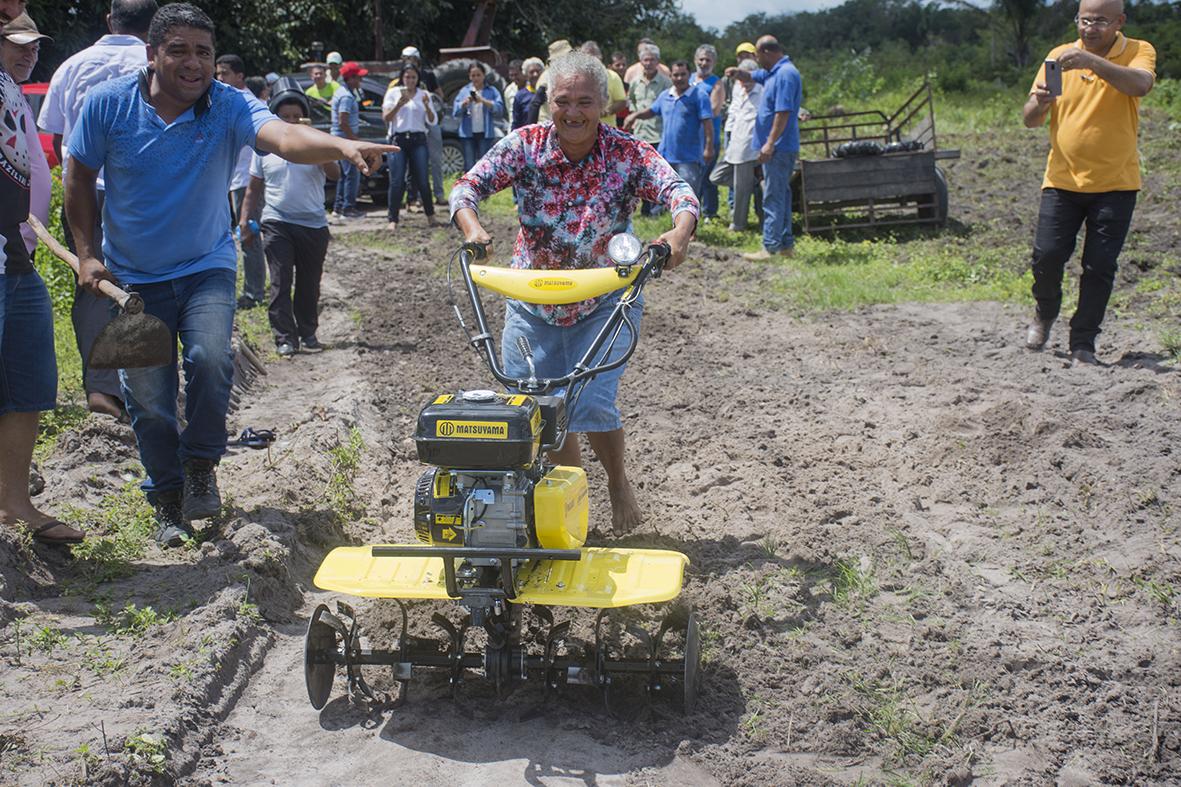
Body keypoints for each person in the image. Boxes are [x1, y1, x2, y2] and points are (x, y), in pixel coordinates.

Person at [64, 3, 396, 546]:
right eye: (180, 51)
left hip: (206, 265)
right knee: (146, 395)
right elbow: (78, 174)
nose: (194, 64)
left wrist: (340, 145)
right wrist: (87, 251)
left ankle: (200, 465)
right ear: (152, 55)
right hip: (130, 277)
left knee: (211, 356)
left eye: (204, 52)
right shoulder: (109, 106)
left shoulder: (228, 104)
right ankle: (167, 499)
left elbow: (285, 138)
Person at [450, 52, 699, 534]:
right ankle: (574, 500)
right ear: (548, 103)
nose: (574, 112)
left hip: (603, 301)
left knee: (589, 404)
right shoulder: (523, 146)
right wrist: (473, 229)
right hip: (532, 300)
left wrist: (677, 235)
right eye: (563, 101)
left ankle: (617, 480)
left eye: (585, 101)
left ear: (603, 104)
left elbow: (679, 192)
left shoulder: (626, 153)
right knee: (544, 406)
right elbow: (466, 187)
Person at [37, 0, 155, 420]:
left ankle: (102, 391)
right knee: (150, 283)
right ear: (154, 26)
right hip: (144, 192)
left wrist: (76, 179)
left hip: (84, 191)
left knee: (92, 284)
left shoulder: (73, 65)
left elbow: (53, 139)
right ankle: (144, 388)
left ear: (109, 20)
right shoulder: (160, 62)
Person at [1021, 0, 1155, 366]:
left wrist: (1092, 63)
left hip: (1116, 183)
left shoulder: (1138, 51)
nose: (1090, 28)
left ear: (1119, 22)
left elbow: (1141, 85)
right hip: (1062, 180)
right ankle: (1045, 313)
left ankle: (1083, 342)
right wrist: (1041, 103)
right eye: (1084, 20)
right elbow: (1030, 118)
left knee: (1099, 266)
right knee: (1046, 257)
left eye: (1099, 21)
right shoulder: (1059, 56)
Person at [0, 2, 83, 546]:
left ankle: (12, 504)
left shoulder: (11, 92)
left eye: (35, 42)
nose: (31, 50)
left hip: (16, 254)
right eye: (17, 38)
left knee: (28, 383)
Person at [239, 80, 338, 358]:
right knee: (281, 281)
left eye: (297, 116)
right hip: (277, 221)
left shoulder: (316, 143)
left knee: (309, 282)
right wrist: (245, 220)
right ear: (275, 118)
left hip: (313, 224)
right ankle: (284, 337)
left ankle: (308, 332)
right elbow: (253, 188)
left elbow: (335, 175)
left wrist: (316, 143)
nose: (292, 121)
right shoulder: (265, 149)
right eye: (286, 117)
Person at [729, 35, 802, 260]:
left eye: (758, 56)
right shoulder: (773, 72)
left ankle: (769, 247)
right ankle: (786, 246)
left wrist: (769, 143)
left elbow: (783, 113)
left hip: (780, 147)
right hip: (778, 147)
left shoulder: (785, 75)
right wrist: (738, 73)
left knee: (772, 195)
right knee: (781, 194)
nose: (757, 61)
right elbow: (755, 75)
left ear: (766, 53)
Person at [216, 53, 268, 308]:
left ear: (240, 76)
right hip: (233, 179)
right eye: (218, 73)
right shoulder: (227, 101)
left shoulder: (247, 103)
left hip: (246, 180)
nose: (220, 78)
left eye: (224, 73)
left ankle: (254, 292)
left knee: (248, 234)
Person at [624, 59, 714, 199]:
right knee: (665, 196)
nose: (679, 78)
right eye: (676, 75)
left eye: (683, 74)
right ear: (670, 76)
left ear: (689, 75)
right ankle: (665, 220)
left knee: (688, 198)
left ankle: (690, 221)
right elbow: (652, 111)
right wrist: (635, 115)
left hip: (689, 158)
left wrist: (708, 148)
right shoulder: (666, 95)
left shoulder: (699, 96)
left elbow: (708, 124)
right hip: (665, 156)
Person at [381, 63, 439, 231]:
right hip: (398, 139)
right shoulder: (393, 93)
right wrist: (399, 104)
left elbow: (433, 121)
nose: (410, 80)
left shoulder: (424, 94)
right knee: (397, 180)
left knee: (422, 178)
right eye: (407, 77)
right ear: (402, 78)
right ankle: (393, 218)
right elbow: (386, 117)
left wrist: (427, 105)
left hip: (418, 138)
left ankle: (431, 215)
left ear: (418, 78)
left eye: (413, 77)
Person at [710, 54, 762, 231]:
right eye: (742, 77)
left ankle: (738, 225)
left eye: (748, 76)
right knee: (716, 176)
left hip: (749, 147)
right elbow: (732, 114)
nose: (744, 81)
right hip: (734, 144)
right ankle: (754, 183)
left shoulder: (762, 90)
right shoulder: (737, 89)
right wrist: (728, 138)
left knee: (740, 191)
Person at [397, 45, 446, 208]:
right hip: (412, 122)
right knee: (414, 162)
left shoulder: (428, 75)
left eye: (410, 58)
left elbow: (440, 95)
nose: (408, 62)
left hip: (429, 118)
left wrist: (429, 98)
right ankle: (414, 197)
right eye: (405, 59)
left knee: (436, 158)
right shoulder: (400, 78)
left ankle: (439, 194)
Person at [626, 43, 671, 216]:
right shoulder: (635, 82)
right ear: (640, 61)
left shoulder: (665, 82)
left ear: (658, 62)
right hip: (640, 133)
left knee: (657, 173)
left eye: (652, 60)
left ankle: (657, 208)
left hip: (658, 133)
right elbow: (631, 102)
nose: (649, 63)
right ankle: (645, 208)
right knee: (641, 173)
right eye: (646, 60)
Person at [690, 44, 724, 220]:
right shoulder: (687, 79)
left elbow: (714, 110)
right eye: (701, 59)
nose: (704, 63)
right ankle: (692, 212)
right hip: (690, 139)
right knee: (691, 177)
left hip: (709, 137)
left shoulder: (716, 83)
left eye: (708, 60)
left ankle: (710, 211)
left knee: (707, 176)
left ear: (714, 62)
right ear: (695, 60)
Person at [331, 60, 367, 219]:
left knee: (344, 174)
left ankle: (338, 208)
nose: (360, 81)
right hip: (345, 139)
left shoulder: (342, 92)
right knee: (352, 173)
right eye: (358, 78)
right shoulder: (346, 96)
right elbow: (342, 121)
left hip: (340, 139)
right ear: (350, 79)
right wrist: (354, 140)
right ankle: (348, 208)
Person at [452, 61, 503, 171]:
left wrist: (483, 101)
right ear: (469, 76)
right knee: (469, 165)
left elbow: (499, 109)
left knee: (485, 164)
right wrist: (464, 104)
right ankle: (469, 187)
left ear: (484, 75)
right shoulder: (465, 91)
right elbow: (455, 111)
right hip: (467, 133)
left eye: (478, 75)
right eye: (473, 75)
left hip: (485, 133)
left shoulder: (491, 90)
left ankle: (485, 187)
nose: (476, 78)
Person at [580, 41, 627, 126]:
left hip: (607, 130)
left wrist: (606, 111)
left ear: (600, 58)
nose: (591, 63)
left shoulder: (612, 76)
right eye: (587, 59)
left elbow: (622, 102)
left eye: (594, 58)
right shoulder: (575, 78)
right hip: (580, 129)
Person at [512, 57, 543, 130]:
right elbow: (516, 121)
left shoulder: (549, 92)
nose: (535, 74)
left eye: (538, 71)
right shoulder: (520, 96)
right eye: (531, 72)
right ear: (526, 75)